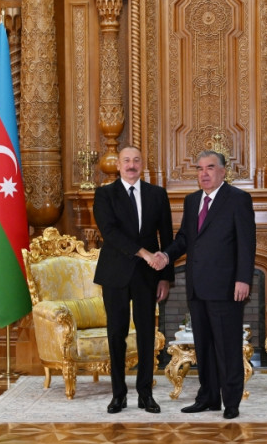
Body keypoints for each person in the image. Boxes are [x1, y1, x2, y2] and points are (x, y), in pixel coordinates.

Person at [155, 150, 255, 420]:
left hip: (227, 287)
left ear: (223, 171)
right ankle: (208, 398)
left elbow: (246, 243)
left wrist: (243, 279)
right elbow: (184, 238)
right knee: (205, 347)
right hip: (197, 287)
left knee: (227, 347)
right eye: (200, 169)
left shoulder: (238, 199)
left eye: (210, 167)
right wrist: (166, 255)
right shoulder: (192, 201)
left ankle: (231, 402)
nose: (204, 173)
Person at [92, 145, 174, 415]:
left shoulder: (157, 194)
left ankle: (145, 394)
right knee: (116, 334)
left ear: (142, 164)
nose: (131, 165)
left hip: (147, 277)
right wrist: (144, 253)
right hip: (115, 274)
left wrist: (165, 278)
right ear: (118, 165)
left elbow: (167, 237)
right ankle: (118, 395)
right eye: (126, 160)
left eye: (136, 160)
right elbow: (110, 233)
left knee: (147, 334)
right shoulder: (104, 194)